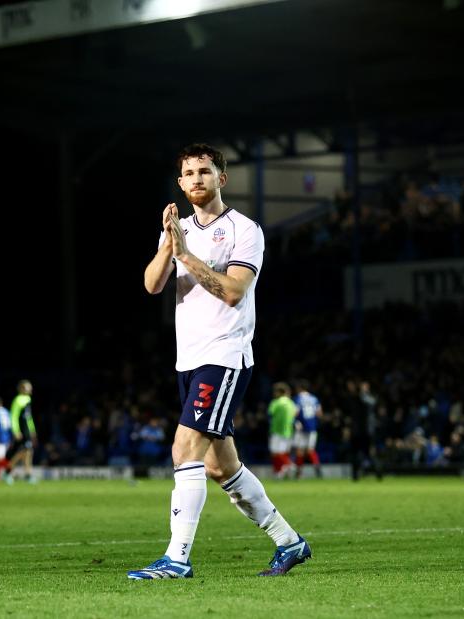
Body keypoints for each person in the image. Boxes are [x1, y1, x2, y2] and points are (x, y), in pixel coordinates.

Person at [128, 143, 311, 580]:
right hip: (188, 357)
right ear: (180, 182)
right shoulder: (178, 229)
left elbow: (233, 291)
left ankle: (177, 558)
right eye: (188, 173)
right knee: (218, 465)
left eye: (204, 172)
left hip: (225, 354)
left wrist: (188, 254)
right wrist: (170, 244)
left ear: (221, 179)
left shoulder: (245, 230)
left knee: (183, 447)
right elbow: (153, 285)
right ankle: (290, 542)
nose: (196, 179)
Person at [292, 380, 323, 478]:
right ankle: (317, 469)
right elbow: (319, 413)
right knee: (310, 450)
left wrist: (295, 422)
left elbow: (295, 412)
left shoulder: (297, 398)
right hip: (312, 427)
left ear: (299, 388)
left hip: (301, 426)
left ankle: (298, 472)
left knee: (299, 450)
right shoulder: (314, 398)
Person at [7, 380, 37, 483]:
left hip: (27, 430)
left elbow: (29, 418)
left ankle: (28, 474)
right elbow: (14, 416)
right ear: (22, 389)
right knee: (24, 451)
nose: (30, 389)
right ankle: (8, 471)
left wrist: (32, 430)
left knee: (28, 452)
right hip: (21, 430)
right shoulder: (18, 400)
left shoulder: (28, 399)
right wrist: (16, 431)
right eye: (28, 387)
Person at [267, 382, 296, 479]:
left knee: (275, 452)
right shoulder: (291, 403)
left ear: (279, 392)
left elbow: (270, 414)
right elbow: (295, 414)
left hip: (276, 431)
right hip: (288, 431)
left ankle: (290, 465)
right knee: (283, 452)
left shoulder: (276, 402)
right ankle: (279, 473)